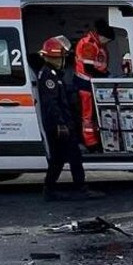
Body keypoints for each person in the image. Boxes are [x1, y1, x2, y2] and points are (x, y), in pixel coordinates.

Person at [37, 36, 103, 201]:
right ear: (54, 58)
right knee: (73, 156)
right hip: (59, 125)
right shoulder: (49, 76)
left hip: (61, 123)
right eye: (61, 57)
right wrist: (61, 124)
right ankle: (80, 188)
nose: (63, 61)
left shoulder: (52, 74)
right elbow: (51, 103)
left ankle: (49, 189)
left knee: (58, 159)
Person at [74, 19, 114, 148]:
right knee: (88, 116)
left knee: (92, 115)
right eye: (107, 40)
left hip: (91, 83)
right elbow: (89, 68)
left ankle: (95, 141)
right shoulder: (89, 44)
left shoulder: (97, 44)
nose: (107, 43)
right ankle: (90, 143)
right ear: (102, 36)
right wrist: (106, 77)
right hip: (85, 84)